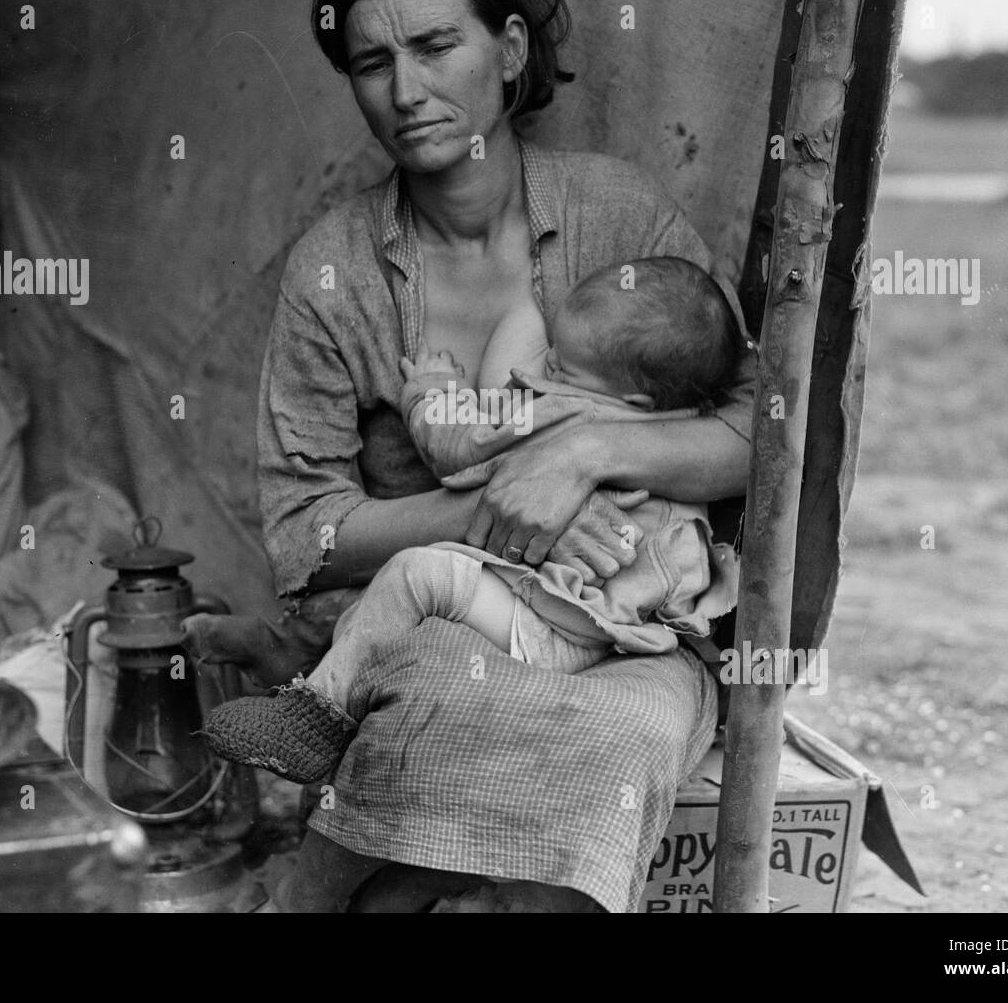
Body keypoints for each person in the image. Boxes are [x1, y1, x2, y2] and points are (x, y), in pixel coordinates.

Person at [185, 0, 759, 913]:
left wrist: (581, 455)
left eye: (435, 45)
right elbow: (303, 535)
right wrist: (497, 504)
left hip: (630, 627)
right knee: (441, 700)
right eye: (370, 63)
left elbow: (759, 439)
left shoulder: (618, 222)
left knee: (614, 749)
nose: (406, 91)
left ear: (508, 48)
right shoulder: (337, 269)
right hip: (455, 616)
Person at [201, 256, 743, 784]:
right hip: (614, 626)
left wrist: (433, 392)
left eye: (559, 367)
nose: (541, 368)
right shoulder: (679, 428)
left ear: (633, 397)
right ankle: (306, 659)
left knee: (418, 574)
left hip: (558, 629)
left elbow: (463, 448)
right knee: (409, 600)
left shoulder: (570, 413)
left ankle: (314, 721)